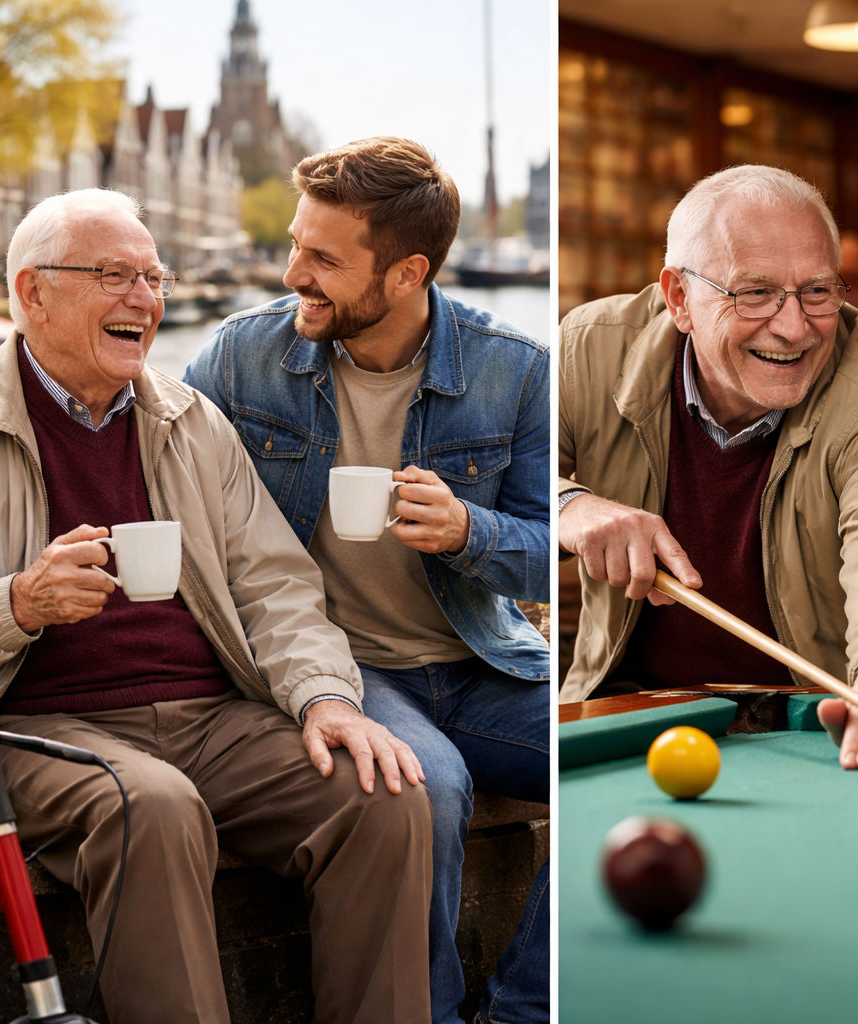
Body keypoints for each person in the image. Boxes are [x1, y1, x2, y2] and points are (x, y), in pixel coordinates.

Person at [0, 188, 433, 1024]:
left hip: (208, 718)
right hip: (28, 726)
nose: (145, 300)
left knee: (384, 798)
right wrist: (16, 603)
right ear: (33, 293)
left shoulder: (193, 423)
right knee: (150, 806)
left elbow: (277, 588)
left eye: (153, 278)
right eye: (115, 276)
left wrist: (326, 698)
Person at [184, 137, 549, 1024]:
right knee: (423, 788)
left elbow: (553, 543)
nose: (291, 272)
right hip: (347, 668)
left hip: (483, 660)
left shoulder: (518, 369)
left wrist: (471, 530)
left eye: (322, 258)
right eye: (297, 246)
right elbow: (156, 457)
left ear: (406, 272)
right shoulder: (241, 359)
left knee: (622, 768)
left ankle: (521, 1010)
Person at [557, 164, 858, 772]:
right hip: (617, 716)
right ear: (679, 298)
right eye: (754, 293)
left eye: (818, 291)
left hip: (814, 732)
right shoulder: (589, 347)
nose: (793, 326)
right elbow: (506, 485)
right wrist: (570, 506)